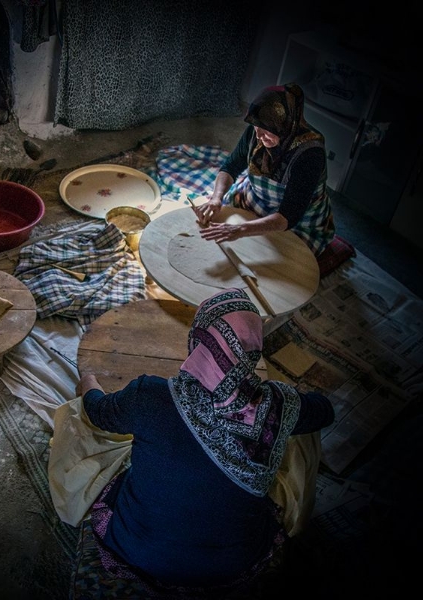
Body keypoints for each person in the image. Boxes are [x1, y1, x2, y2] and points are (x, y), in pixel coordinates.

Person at [75, 288, 335, 596]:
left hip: (140, 553)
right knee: (290, 448)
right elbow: (324, 411)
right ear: (254, 348)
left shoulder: (150, 396)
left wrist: (89, 384)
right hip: (234, 566)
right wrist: (280, 398)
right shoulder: (279, 405)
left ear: (200, 340)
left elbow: (98, 413)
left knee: (118, 468)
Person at [194, 83, 335, 256]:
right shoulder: (257, 131)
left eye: (267, 130)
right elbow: (230, 167)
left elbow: (287, 217)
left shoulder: (310, 154)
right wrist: (216, 198)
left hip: (297, 222)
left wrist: (239, 229)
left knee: (274, 263)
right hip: (255, 199)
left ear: (286, 123)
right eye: (256, 127)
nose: (259, 136)